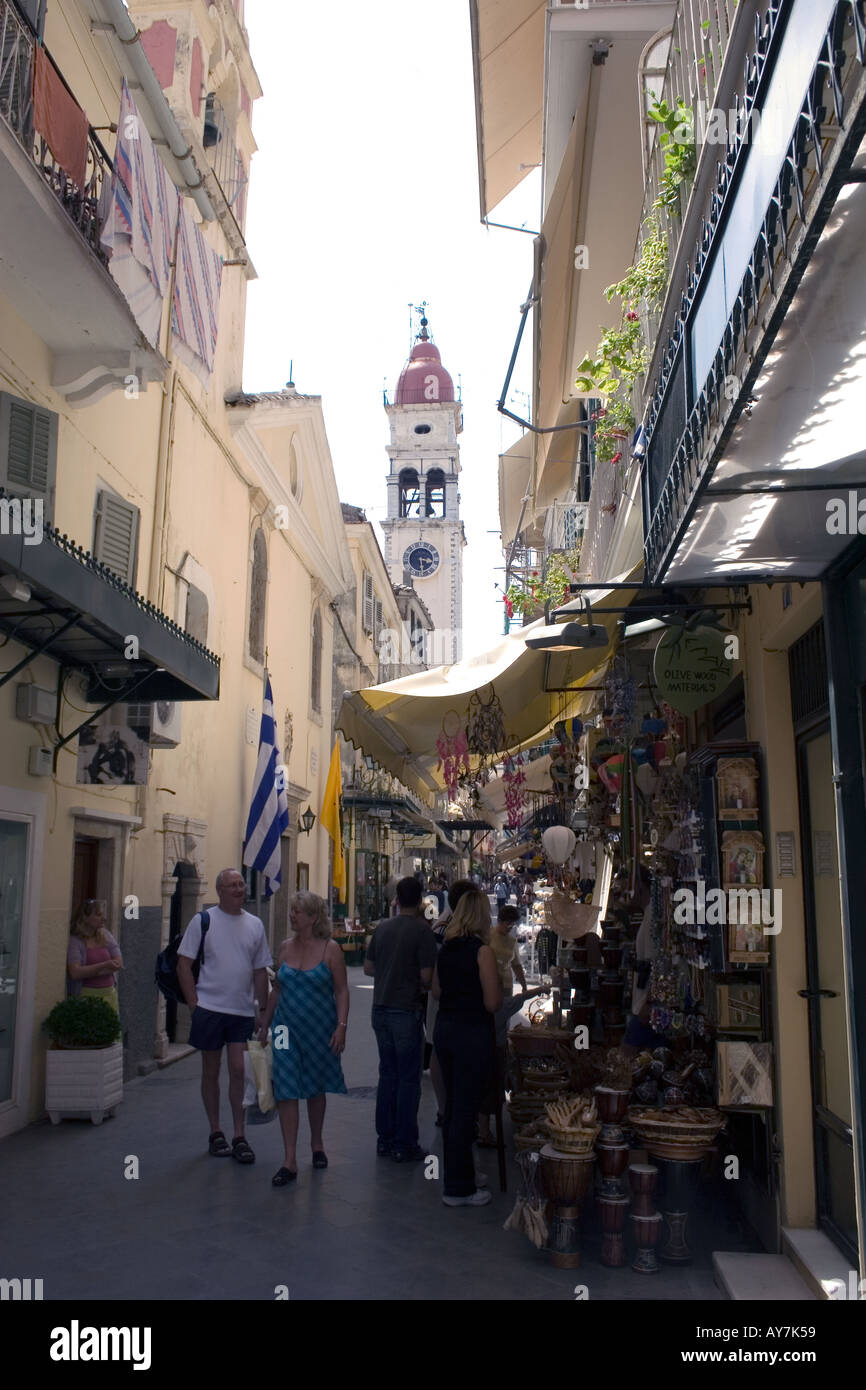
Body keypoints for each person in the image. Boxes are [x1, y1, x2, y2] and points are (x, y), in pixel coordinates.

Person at [177, 868, 272, 1165]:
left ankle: (240, 1134)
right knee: (210, 1070)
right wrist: (194, 1003)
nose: (239, 889)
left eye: (241, 884)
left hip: (242, 1010)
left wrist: (262, 1010)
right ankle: (215, 1131)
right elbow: (184, 965)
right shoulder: (203, 921)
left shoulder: (255, 925)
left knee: (238, 1070)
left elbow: (260, 970)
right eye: (232, 885)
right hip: (210, 1008)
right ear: (219, 890)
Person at [258, 892, 349, 1186]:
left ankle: (318, 1143)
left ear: (312, 918)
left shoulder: (330, 950)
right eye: (292, 910)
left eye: (297, 911)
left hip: (319, 1028)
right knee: (286, 1088)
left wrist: (342, 1026)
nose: (292, 915)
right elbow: (277, 990)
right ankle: (289, 1160)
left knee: (315, 1086)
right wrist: (265, 1024)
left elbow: (342, 991)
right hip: (285, 1030)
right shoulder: (284, 948)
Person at [432, 888, 502, 1206]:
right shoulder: (482, 952)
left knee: (452, 1108)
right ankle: (459, 1188)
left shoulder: (445, 949)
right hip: (471, 1033)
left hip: (446, 1030)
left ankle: (457, 1176)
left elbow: (435, 991)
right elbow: (491, 1002)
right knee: (465, 1109)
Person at [365, 876, 437, 1161]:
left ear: (397, 898)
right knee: (408, 1079)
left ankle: (384, 1138)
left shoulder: (382, 928)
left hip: (379, 1008)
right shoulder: (422, 932)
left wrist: (388, 970)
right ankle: (405, 1142)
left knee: (387, 1074)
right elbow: (426, 977)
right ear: (420, 900)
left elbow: (369, 968)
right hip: (406, 1010)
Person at [427, 877, 475, 1125]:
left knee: (439, 1050)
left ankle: (445, 1108)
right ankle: (452, 1107)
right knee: (450, 1052)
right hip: (452, 999)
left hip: (440, 999)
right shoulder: (464, 929)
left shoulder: (439, 926)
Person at [66, 899, 123, 1015]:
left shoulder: (105, 935)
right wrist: (105, 965)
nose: (104, 918)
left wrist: (91, 970)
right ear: (85, 918)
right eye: (98, 915)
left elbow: (118, 963)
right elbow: (75, 972)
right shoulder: (75, 941)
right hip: (87, 997)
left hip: (109, 995)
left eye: (103, 915)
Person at [488, 904, 528, 996]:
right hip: (489, 983)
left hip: (507, 985)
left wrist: (524, 986)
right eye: (507, 923)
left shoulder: (512, 941)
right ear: (499, 921)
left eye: (512, 924)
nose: (510, 927)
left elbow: (517, 966)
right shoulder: (488, 935)